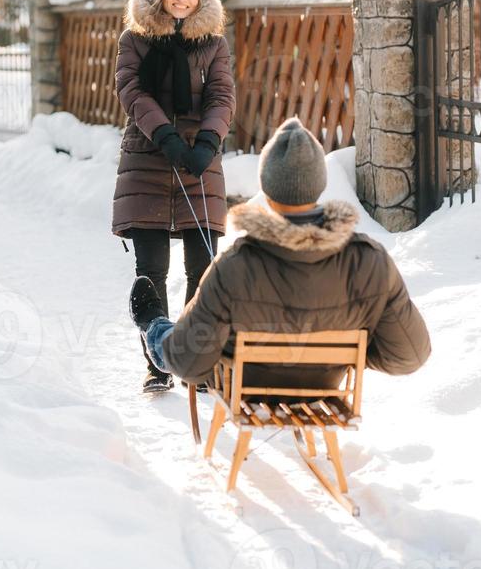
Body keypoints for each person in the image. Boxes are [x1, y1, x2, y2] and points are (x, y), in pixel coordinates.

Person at [129, 117, 431, 391]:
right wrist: (348, 353)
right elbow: (410, 355)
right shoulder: (369, 261)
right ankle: (157, 325)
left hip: (246, 392)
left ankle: (154, 324)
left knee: (176, 342)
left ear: (268, 188)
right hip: (323, 385)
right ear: (319, 186)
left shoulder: (235, 265)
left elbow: (189, 364)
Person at [112, 0, 236, 394]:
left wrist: (207, 142)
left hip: (200, 161)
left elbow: (221, 96)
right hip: (148, 154)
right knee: (152, 269)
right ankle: (159, 361)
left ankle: (196, 359)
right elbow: (132, 89)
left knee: (201, 269)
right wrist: (164, 135)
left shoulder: (214, 44)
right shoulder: (135, 38)